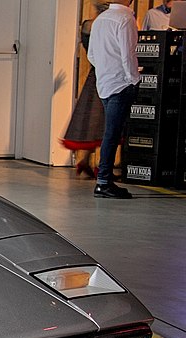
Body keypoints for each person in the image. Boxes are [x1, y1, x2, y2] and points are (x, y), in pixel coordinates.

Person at [87, 0, 140, 199]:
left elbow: (91, 55)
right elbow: (128, 54)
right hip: (121, 83)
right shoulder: (125, 18)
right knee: (112, 133)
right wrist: (133, 79)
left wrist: (105, 70)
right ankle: (103, 182)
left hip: (105, 83)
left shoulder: (101, 19)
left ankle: (104, 179)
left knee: (111, 132)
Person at [61, 15, 107, 177]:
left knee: (95, 124)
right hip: (103, 77)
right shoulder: (94, 26)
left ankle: (87, 161)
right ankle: (99, 165)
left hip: (97, 77)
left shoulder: (93, 26)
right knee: (100, 123)